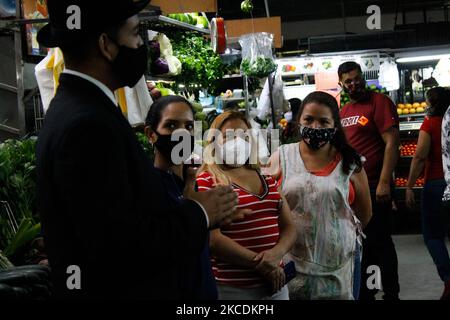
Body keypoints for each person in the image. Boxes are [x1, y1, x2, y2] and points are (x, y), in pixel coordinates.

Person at [36, 0, 247, 299]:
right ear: (105, 44)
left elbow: (115, 215)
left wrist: (184, 206)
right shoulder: (89, 125)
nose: (141, 45)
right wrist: (200, 212)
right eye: (135, 34)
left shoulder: (75, 109)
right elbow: (123, 245)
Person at [266, 91, 372, 300]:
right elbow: (268, 208)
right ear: (299, 121)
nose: (315, 127)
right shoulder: (282, 157)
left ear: (335, 126)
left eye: (324, 121)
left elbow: (365, 213)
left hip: (340, 263)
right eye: (309, 119)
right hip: (291, 261)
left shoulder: (351, 162)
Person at [196, 111, 297, 300]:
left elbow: (289, 227)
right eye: (227, 136)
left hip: (276, 284)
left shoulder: (267, 178)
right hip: (233, 290)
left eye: (243, 136)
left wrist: (277, 254)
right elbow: (214, 240)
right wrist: (262, 264)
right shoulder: (207, 180)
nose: (237, 142)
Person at [144, 95, 217, 300]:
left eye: (188, 126)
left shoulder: (190, 181)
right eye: (171, 125)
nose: (182, 133)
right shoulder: (147, 189)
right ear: (151, 134)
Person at [339, 61, 401, 300]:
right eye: (348, 81)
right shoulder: (343, 112)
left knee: (380, 241)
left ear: (363, 77)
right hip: (353, 189)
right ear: (342, 85)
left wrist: (385, 181)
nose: (354, 84)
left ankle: (391, 294)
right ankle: (367, 292)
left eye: (357, 78)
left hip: (376, 185)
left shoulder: (379, 102)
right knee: (361, 244)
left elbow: (392, 143)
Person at [405, 87, 450, 300]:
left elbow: (420, 156)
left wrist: (409, 186)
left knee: (433, 235)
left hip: (436, 183)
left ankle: (449, 279)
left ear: (432, 103)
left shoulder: (430, 123)